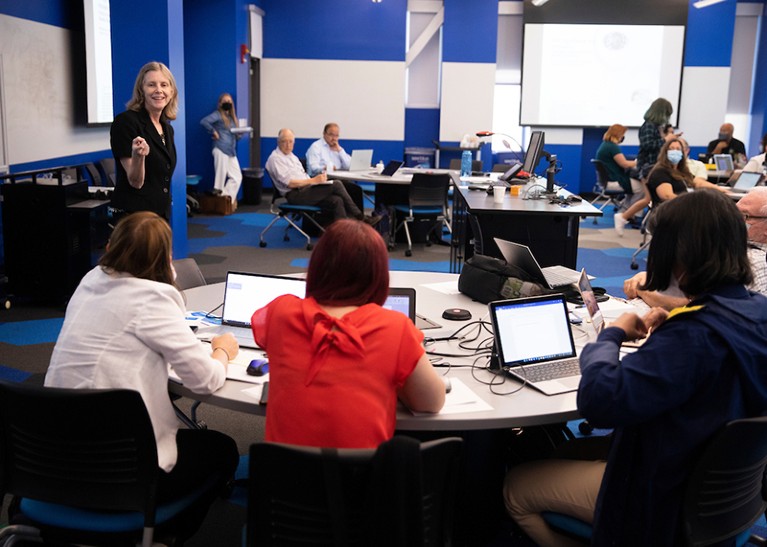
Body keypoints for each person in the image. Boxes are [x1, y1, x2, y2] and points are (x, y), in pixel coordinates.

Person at [503, 189, 767, 546]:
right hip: (723, 503)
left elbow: (598, 401)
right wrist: (677, 314)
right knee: (561, 454)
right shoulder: (756, 312)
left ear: (677, 255)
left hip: (661, 502)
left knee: (516, 486)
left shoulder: (691, 335)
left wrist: (609, 336)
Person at [45, 212, 239, 541]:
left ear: (112, 246)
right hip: (121, 473)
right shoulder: (155, 298)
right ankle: (160, 533)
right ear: (165, 259)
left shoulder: (90, 281)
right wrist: (222, 351)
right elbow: (204, 381)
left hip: (51, 462)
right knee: (223, 450)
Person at [250, 219, 445, 448]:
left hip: (286, 481)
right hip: (363, 480)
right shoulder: (395, 326)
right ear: (379, 275)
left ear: (317, 266)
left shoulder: (280, 312)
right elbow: (432, 402)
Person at [625, 186, 767, 308]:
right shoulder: (733, 249)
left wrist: (643, 288)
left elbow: (696, 307)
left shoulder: (752, 260)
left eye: (745, 216)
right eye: (736, 214)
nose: (734, 221)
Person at [110, 62, 178, 222]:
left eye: (164, 85)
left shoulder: (167, 129)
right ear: (142, 90)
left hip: (160, 216)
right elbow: (135, 182)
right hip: (134, 217)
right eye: (151, 85)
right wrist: (138, 156)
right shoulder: (126, 122)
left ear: (171, 91)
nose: (159, 90)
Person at [265, 128, 375, 224]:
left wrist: (317, 182)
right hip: (295, 195)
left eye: (291, 142)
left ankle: (341, 234)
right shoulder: (276, 159)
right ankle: (361, 217)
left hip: (306, 190)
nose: (288, 145)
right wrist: (314, 181)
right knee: (336, 184)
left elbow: (303, 176)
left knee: (337, 200)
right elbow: (290, 183)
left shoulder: (291, 156)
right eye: (285, 142)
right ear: (278, 142)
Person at [614, 98, 680, 236]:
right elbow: (647, 145)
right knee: (653, 199)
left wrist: (668, 138)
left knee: (649, 199)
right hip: (648, 168)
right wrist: (665, 140)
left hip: (652, 167)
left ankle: (624, 217)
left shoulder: (656, 127)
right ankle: (644, 224)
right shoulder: (648, 126)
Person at [646, 138, 726, 207]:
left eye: (678, 149)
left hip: (685, 210)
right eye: (671, 149)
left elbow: (697, 183)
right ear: (665, 152)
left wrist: (718, 189)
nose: (675, 151)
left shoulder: (682, 171)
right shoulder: (660, 172)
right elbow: (667, 196)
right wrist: (690, 202)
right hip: (669, 212)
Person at [200, 92, 243, 208]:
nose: (227, 103)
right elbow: (204, 121)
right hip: (220, 148)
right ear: (220, 103)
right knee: (220, 178)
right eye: (225, 101)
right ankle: (221, 203)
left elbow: (237, 137)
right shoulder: (218, 115)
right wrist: (213, 131)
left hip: (230, 151)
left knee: (237, 177)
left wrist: (240, 133)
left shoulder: (233, 119)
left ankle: (224, 199)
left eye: (229, 102)